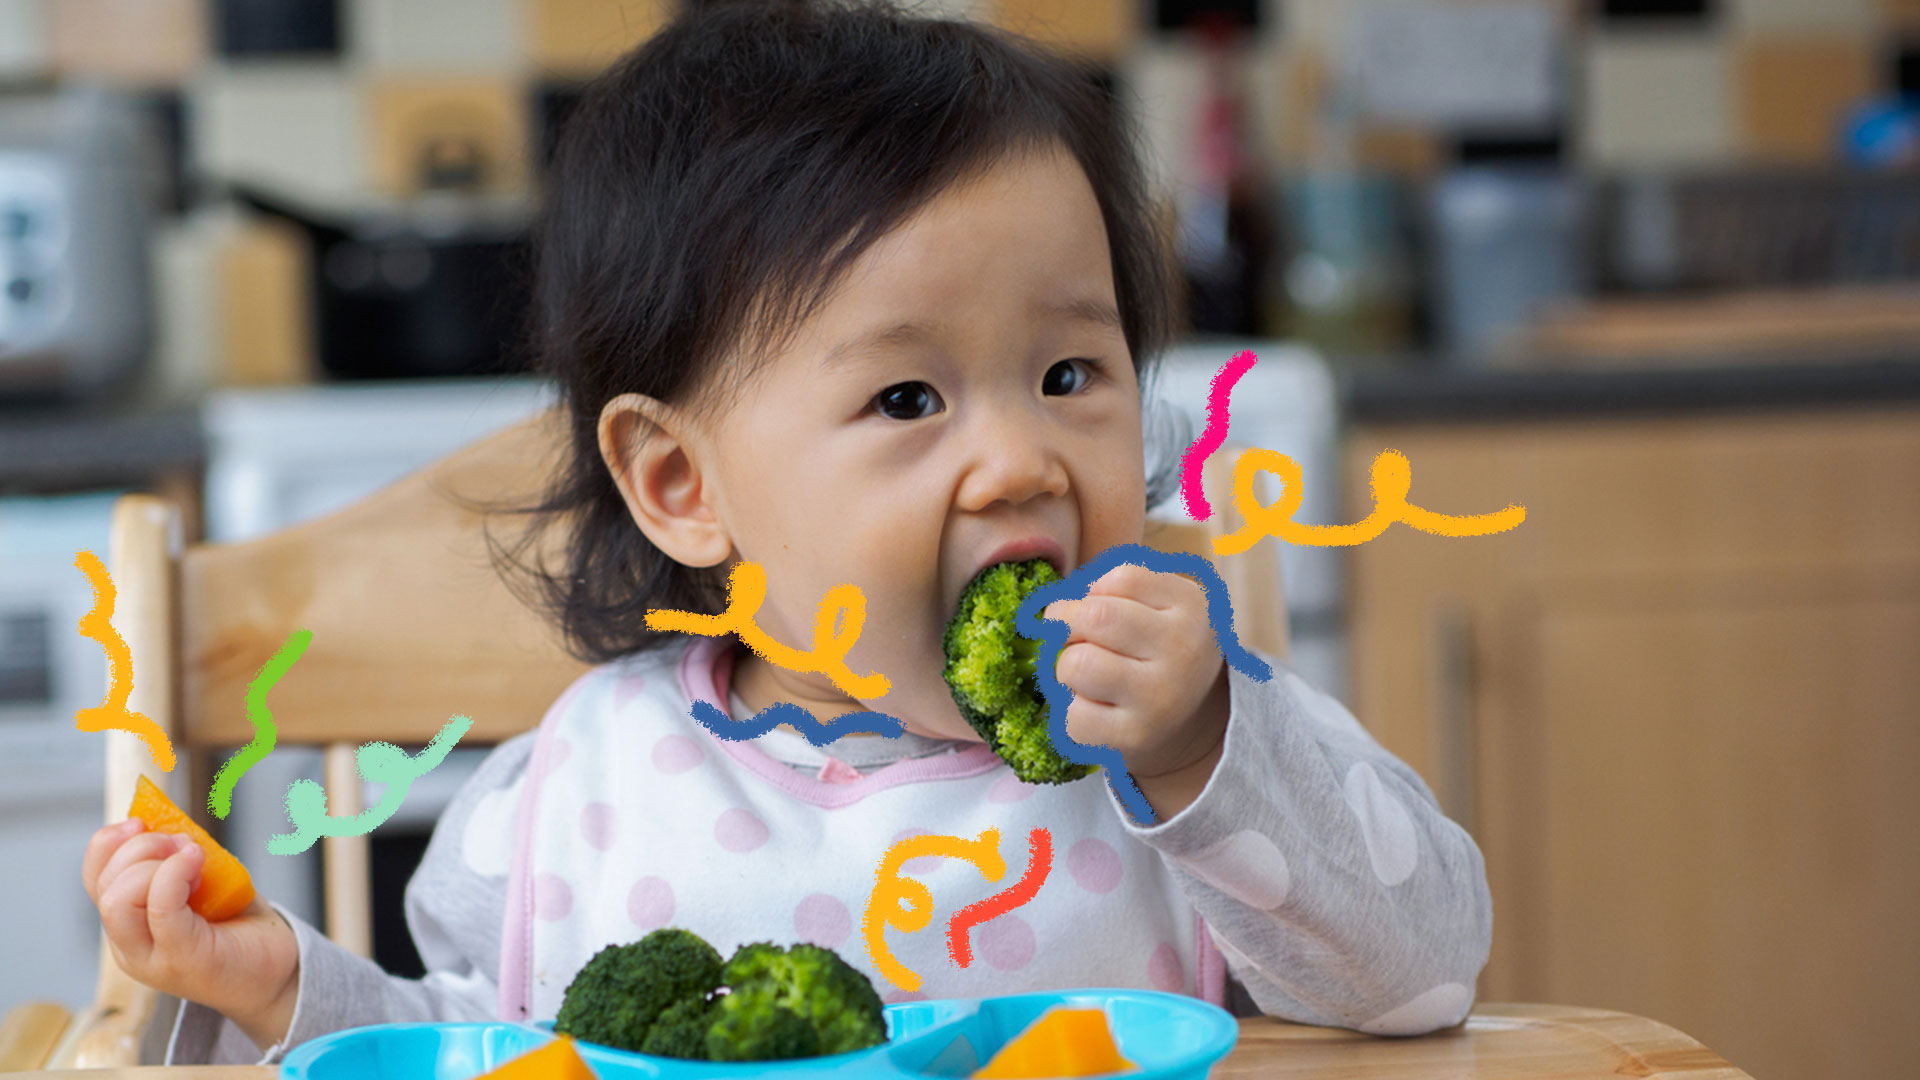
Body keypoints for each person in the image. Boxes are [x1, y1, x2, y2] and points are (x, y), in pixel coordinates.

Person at [81, 0, 1492, 1065]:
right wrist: (282, 990)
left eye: (1071, 376)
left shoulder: (1182, 757)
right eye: (905, 396)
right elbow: (486, 1043)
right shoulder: (579, 788)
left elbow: (1424, 979)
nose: (1018, 462)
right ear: (682, 484)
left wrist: (1201, 749)